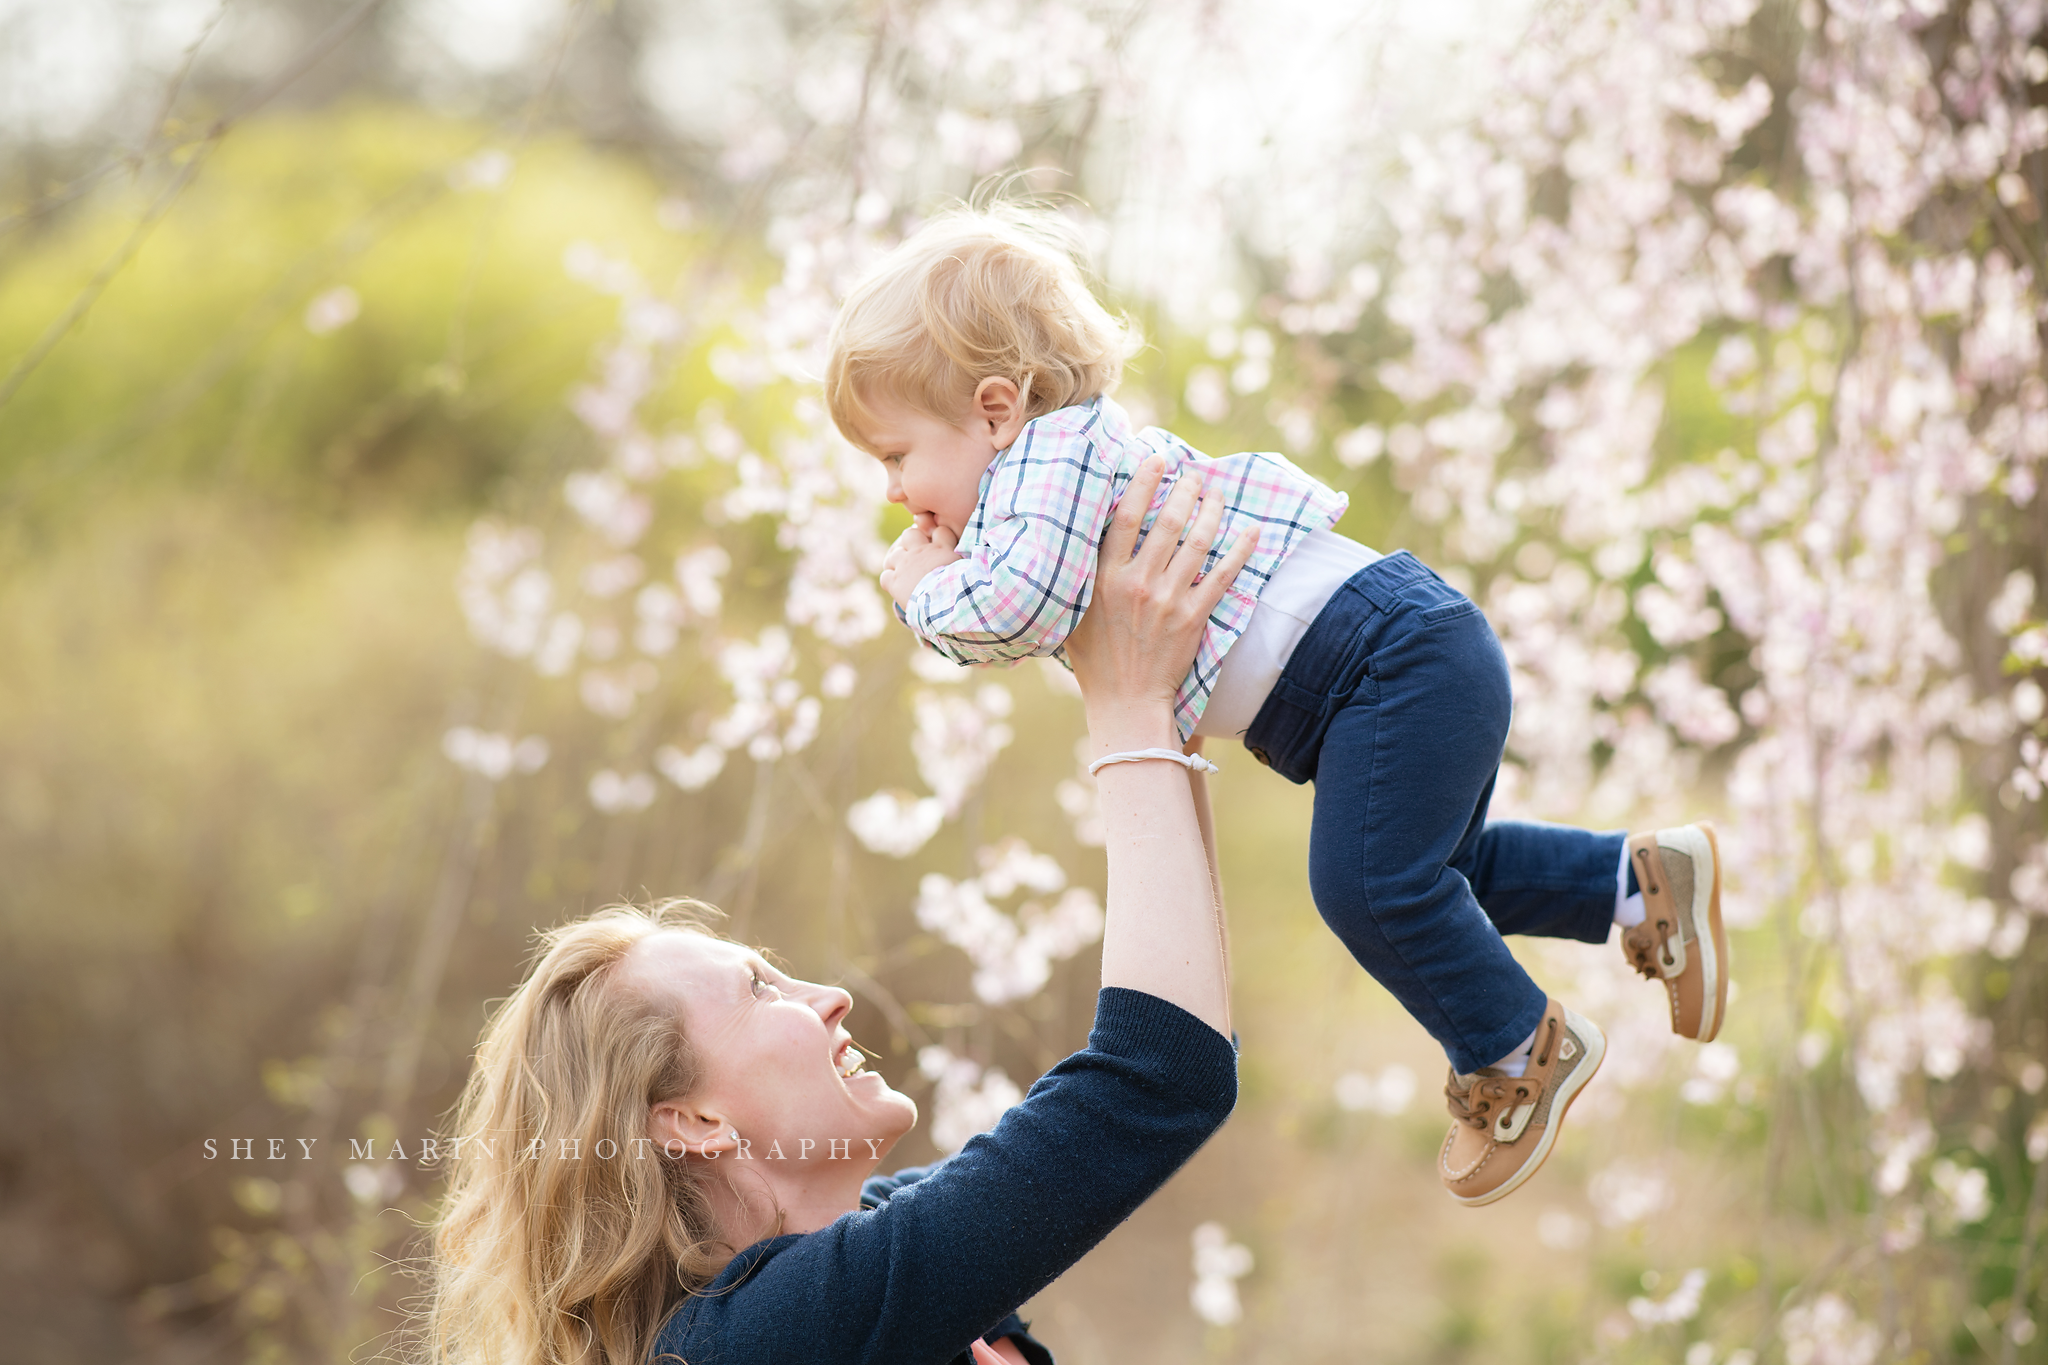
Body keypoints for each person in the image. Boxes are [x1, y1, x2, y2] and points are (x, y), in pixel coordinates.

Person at [824, 206, 1731, 1207]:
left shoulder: (1049, 462)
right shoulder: (1044, 479)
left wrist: (917, 592)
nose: (895, 493)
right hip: (1391, 661)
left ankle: (1517, 1050)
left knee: (1366, 888)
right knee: (1433, 878)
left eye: (896, 457)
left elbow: (1012, 609)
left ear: (995, 410)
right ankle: (1632, 883)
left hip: (1381, 660)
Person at [419, 462, 1258, 1365]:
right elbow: (1157, 1075)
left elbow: (1180, 1046)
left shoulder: (868, 1264)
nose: (830, 995)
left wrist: (1165, 715)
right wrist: (1127, 703)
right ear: (691, 1121)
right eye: (758, 987)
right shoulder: (758, 1341)